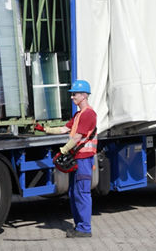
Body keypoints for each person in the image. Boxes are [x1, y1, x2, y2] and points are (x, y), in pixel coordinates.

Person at [38, 79, 97, 238]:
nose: (72, 97)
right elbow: (65, 128)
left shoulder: (89, 114)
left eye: (74, 94)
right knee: (74, 193)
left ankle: (84, 229)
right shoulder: (78, 115)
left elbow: (77, 137)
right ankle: (79, 227)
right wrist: (45, 129)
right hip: (78, 159)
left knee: (82, 194)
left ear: (84, 96)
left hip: (84, 160)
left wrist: (63, 150)